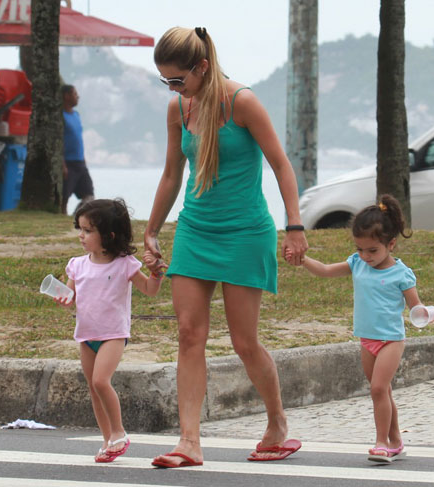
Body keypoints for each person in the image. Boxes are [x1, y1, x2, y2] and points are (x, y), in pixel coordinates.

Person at [144, 26, 308, 468]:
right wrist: (153, 230)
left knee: (244, 342)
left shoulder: (242, 102)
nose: (174, 89)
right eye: (166, 82)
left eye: (178, 80)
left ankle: (277, 422)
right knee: (188, 334)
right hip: (196, 230)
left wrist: (294, 226)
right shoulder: (179, 108)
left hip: (244, 232)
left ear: (201, 67)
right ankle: (189, 441)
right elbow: (170, 175)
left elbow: (281, 165)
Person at [289, 194, 434, 463]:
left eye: (372, 250)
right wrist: (303, 261)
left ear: (390, 244)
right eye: (360, 249)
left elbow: (416, 308)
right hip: (367, 339)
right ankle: (395, 441)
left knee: (378, 389)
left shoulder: (401, 274)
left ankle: (381, 442)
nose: (365, 256)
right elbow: (324, 270)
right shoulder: (357, 264)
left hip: (391, 340)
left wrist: (427, 314)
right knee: (383, 390)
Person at [54, 198, 164, 463]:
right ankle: (108, 441)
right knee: (93, 388)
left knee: (101, 381)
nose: (81, 236)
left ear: (110, 235)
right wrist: (65, 298)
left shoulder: (125, 263)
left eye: (88, 230)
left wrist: (156, 274)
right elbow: (72, 295)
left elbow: (149, 290)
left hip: (113, 334)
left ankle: (119, 432)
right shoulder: (77, 265)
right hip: (86, 334)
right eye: (79, 229)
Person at [61, 84, 94, 215]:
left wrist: (83, 158)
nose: (78, 97)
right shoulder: (61, 116)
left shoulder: (76, 115)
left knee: (89, 196)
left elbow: (78, 139)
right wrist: (62, 164)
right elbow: (60, 141)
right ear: (66, 96)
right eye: (75, 94)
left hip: (80, 162)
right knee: (64, 197)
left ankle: (77, 217)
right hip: (68, 163)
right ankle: (61, 217)